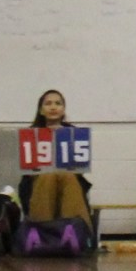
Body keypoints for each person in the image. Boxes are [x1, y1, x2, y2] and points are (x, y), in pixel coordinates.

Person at [17, 89, 92, 231]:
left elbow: (79, 170)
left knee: (66, 175)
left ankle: (75, 231)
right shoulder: (31, 134)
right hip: (38, 183)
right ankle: (43, 231)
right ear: (41, 110)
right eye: (48, 103)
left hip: (69, 181)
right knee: (48, 175)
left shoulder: (74, 133)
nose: (53, 107)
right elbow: (28, 173)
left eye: (58, 103)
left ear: (63, 110)